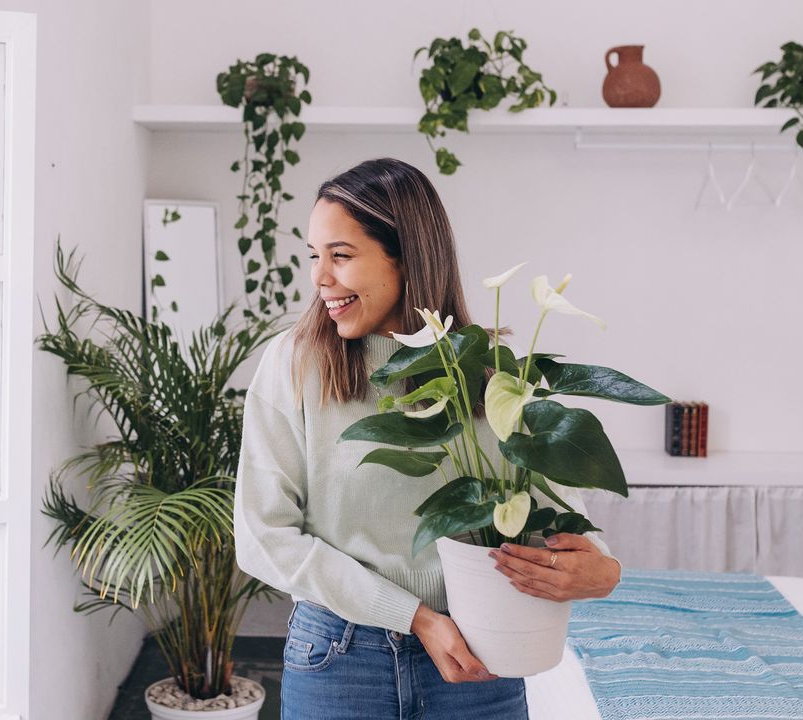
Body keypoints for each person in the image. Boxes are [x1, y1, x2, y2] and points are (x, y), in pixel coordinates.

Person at [234, 157, 621, 720]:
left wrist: (601, 570)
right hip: (340, 660)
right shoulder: (293, 365)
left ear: (406, 256)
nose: (320, 279)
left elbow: (560, 514)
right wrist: (415, 617)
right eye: (315, 257)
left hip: (481, 656)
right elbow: (264, 536)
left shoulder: (492, 374)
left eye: (340, 256)